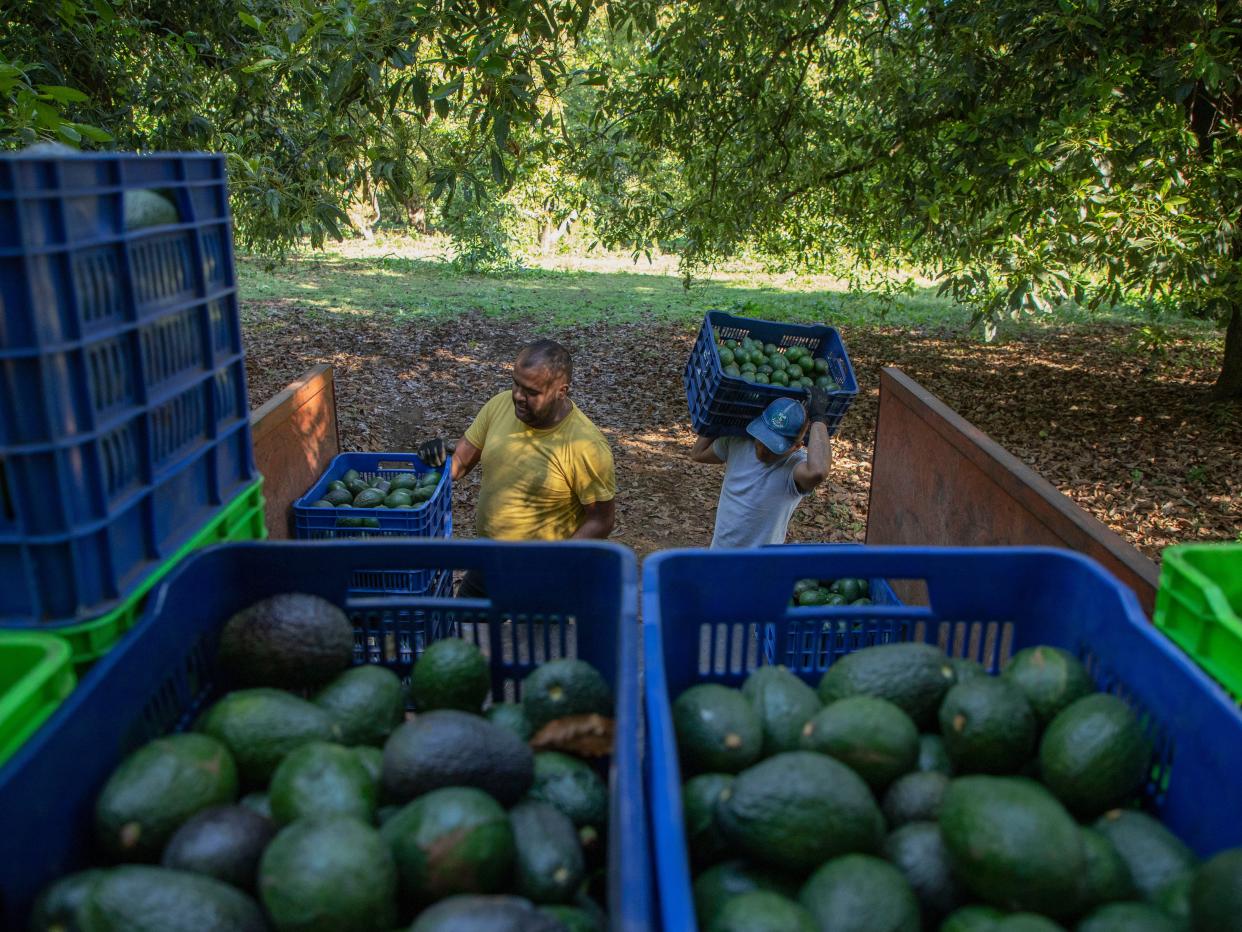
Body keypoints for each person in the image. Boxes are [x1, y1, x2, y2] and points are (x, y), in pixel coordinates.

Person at [418, 339, 617, 596]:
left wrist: (557, 564)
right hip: (489, 560)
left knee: (531, 637)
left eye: (532, 392)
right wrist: (437, 461)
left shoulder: (585, 445)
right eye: (516, 384)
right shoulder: (499, 405)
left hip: (544, 573)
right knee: (462, 629)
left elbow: (602, 520)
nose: (518, 397)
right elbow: (461, 462)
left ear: (561, 391)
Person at [689, 389, 833, 548]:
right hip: (720, 555)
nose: (763, 449)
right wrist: (719, 414)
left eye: (774, 446)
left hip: (761, 565)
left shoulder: (794, 467)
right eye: (763, 439)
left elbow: (818, 472)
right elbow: (697, 453)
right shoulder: (738, 442)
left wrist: (818, 419)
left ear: (795, 447)